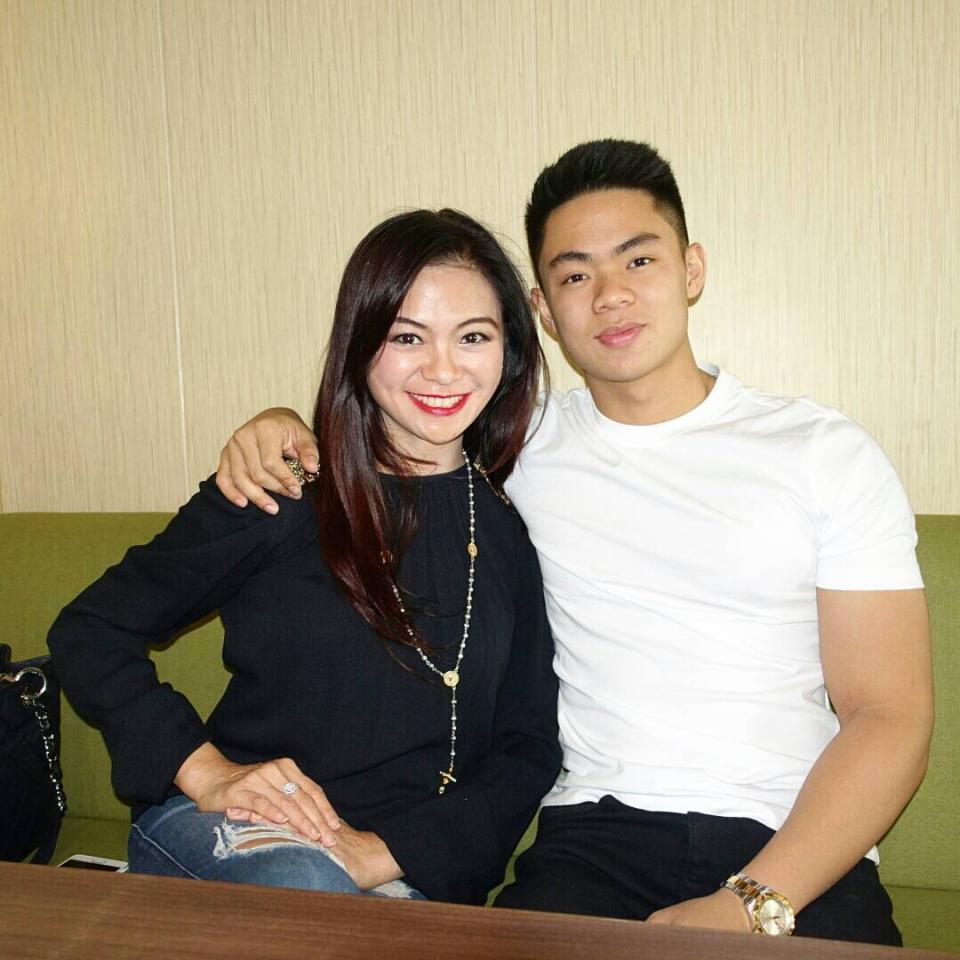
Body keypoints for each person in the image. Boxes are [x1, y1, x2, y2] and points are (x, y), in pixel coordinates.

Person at [214, 140, 932, 944]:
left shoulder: (822, 453)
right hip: (593, 838)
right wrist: (279, 427)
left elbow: (889, 715)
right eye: (577, 275)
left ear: (692, 269)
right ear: (545, 311)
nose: (612, 296)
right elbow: (388, 424)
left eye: (639, 260)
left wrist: (751, 903)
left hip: (795, 843)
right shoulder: (517, 446)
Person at [47, 208, 561, 905]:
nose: (443, 369)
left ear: (509, 351)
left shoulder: (509, 528)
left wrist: (386, 854)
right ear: (361, 342)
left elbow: (528, 743)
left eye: (473, 336)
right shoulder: (284, 487)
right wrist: (206, 772)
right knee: (311, 891)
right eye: (406, 336)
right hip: (245, 835)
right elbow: (90, 629)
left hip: (400, 874)